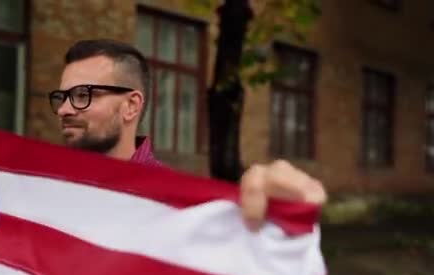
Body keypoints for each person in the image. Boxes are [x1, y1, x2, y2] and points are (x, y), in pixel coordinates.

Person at [48, 39, 326, 229]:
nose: (63, 109)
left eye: (82, 95)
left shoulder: (177, 205)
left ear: (130, 106)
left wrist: (274, 220)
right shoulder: (47, 192)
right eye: (62, 97)